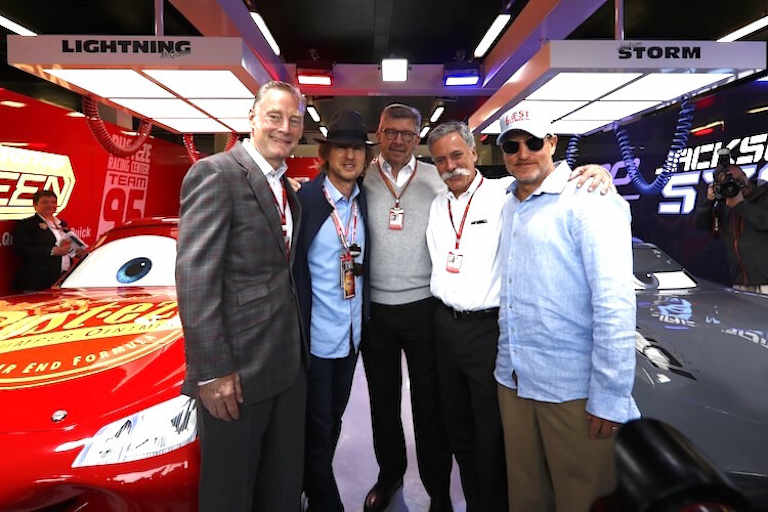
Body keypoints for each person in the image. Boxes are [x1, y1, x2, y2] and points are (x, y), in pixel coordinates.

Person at [425, 121, 613, 512]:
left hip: (487, 331)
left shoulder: (504, 196)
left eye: (457, 155)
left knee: (492, 436)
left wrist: (597, 172)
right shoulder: (435, 203)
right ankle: (474, 500)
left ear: (476, 153)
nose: (450, 166)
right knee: (456, 428)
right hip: (443, 328)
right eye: (440, 160)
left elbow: (552, 186)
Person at [494, 108, 639, 512]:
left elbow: (614, 303)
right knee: (526, 497)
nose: (523, 153)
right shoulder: (508, 202)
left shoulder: (591, 199)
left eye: (533, 143)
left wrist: (611, 395)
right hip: (514, 380)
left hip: (572, 389)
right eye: (512, 145)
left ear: (553, 143)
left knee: (582, 499)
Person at [175, 80, 307, 511]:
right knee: (230, 494)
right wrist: (211, 372)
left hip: (285, 369)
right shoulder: (216, 173)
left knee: (280, 487)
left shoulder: (286, 190)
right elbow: (196, 276)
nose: (285, 128)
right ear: (252, 118)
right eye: (274, 116)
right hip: (236, 377)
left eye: (294, 120)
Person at [360, 103, 454, 512]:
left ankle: (438, 489)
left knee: (429, 405)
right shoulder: (358, 176)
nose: (398, 140)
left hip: (424, 307)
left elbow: (491, 191)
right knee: (382, 402)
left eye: (407, 134)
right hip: (375, 311)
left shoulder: (438, 179)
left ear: (419, 137)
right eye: (390, 132)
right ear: (378, 133)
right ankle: (390, 475)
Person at [293, 110, 374, 512]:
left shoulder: (365, 202)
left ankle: (312, 482)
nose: (349, 156)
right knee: (317, 425)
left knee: (333, 421)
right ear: (325, 153)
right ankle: (324, 500)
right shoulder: (305, 202)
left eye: (357, 149)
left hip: (352, 336)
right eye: (341, 147)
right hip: (316, 339)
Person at [695, 164, 768, 294]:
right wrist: (709, 201)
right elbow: (700, 224)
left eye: (739, 179)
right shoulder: (724, 203)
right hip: (740, 281)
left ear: (746, 176)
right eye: (729, 183)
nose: (738, 186)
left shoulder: (764, 193)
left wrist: (741, 205)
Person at [13, 189, 84, 292]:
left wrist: (79, 251)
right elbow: (20, 249)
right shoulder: (26, 224)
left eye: (53, 202)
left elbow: (71, 246)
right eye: (45, 202)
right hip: (38, 281)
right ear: (35, 205)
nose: (50, 205)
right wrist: (52, 251)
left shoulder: (62, 224)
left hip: (62, 278)